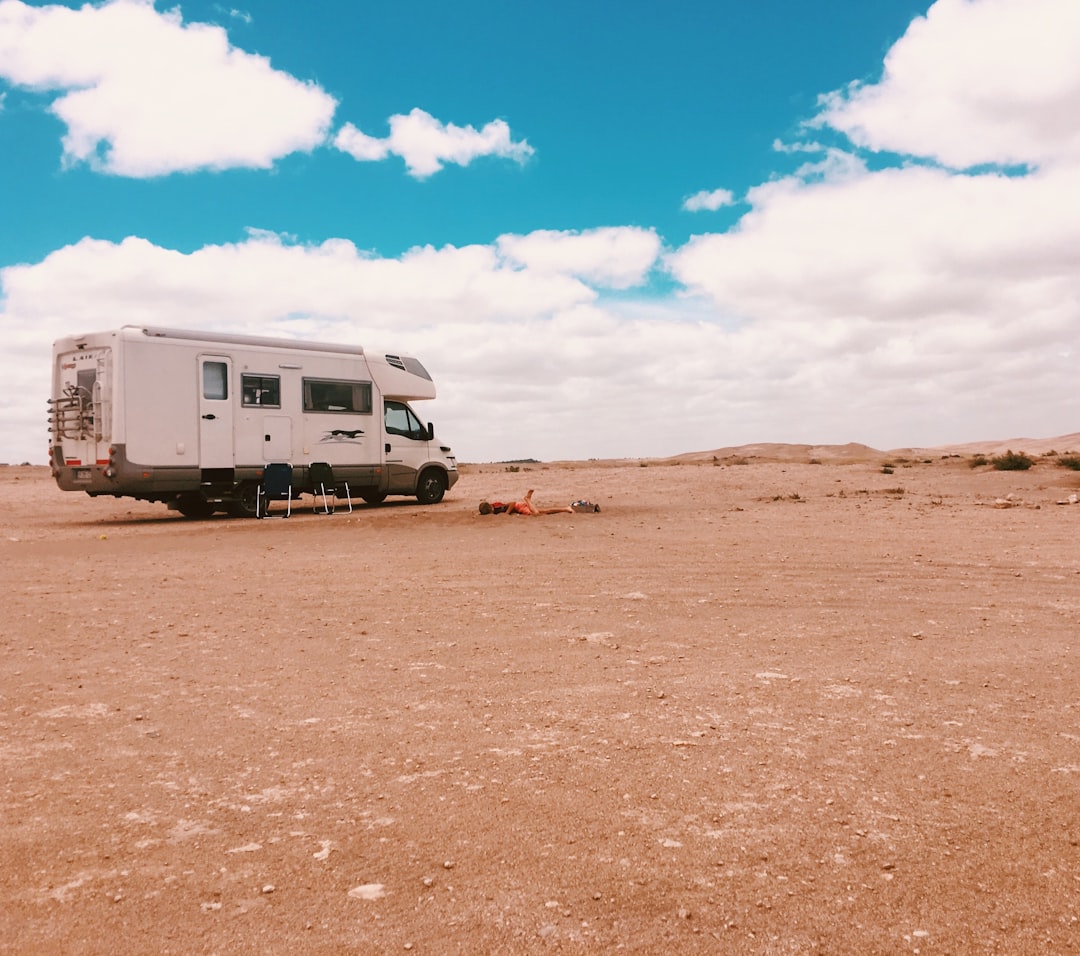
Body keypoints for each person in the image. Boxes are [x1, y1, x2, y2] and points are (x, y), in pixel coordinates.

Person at [479, 489, 575, 516]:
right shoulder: (492, 507)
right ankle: (566, 509)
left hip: (518, 506)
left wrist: (507, 513)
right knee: (544, 511)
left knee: (536, 513)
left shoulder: (497, 507)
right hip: (519, 508)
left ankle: (527, 499)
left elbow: (512, 503)